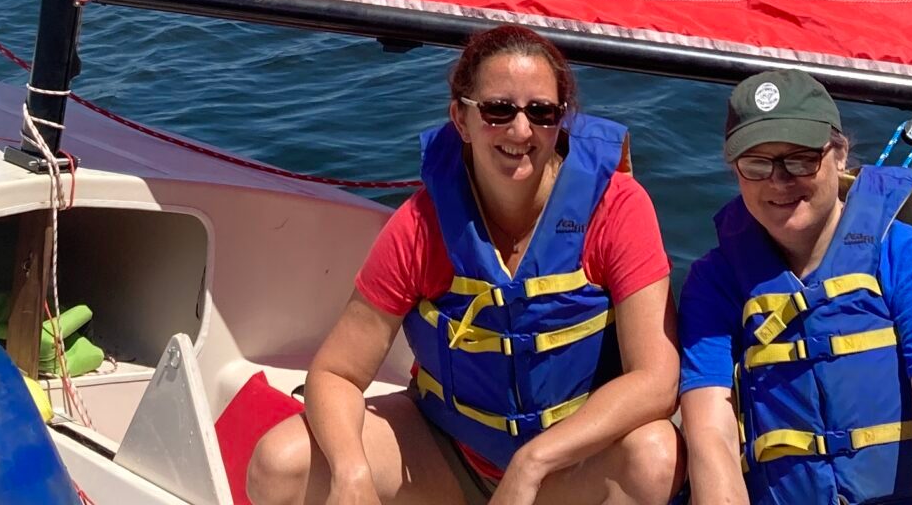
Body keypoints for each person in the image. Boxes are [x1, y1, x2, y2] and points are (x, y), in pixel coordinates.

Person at [249, 25, 681, 505]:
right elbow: (336, 374)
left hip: (567, 467)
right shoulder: (421, 223)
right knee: (280, 463)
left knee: (656, 455)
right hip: (446, 452)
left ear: (561, 120)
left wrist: (533, 461)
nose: (521, 131)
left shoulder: (616, 207)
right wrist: (352, 474)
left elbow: (656, 381)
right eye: (498, 110)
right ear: (461, 118)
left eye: (541, 112)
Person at [677, 69, 912, 505]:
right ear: (735, 170)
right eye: (757, 164)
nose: (778, 181)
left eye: (800, 159)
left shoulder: (910, 259)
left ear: (838, 154)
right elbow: (712, 440)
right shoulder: (714, 282)